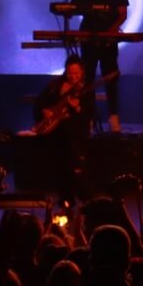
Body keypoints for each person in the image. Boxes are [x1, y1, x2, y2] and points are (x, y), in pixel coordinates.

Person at [70, 0, 130, 132]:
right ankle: (88, 118)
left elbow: (123, 13)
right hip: (89, 38)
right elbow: (73, 8)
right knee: (87, 80)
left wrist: (112, 29)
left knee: (111, 77)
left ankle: (113, 117)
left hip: (108, 40)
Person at [35, 58, 92, 201]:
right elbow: (40, 101)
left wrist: (77, 108)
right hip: (57, 135)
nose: (73, 76)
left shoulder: (87, 89)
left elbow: (90, 113)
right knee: (60, 169)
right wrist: (44, 110)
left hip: (76, 137)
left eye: (76, 73)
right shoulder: (55, 85)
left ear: (82, 71)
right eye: (70, 73)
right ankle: (66, 202)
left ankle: (86, 203)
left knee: (78, 171)